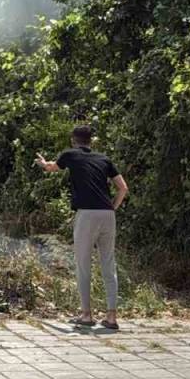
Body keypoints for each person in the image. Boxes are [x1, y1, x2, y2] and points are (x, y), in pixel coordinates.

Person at [35, 124, 128, 330]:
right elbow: (123, 188)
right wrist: (112, 207)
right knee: (108, 264)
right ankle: (112, 317)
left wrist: (43, 163)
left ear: (73, 140)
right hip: (107, 215)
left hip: (86, 214)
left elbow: (52, 168)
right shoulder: (104, 159)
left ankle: (86, 315)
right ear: (91, 141)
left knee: (83, 265)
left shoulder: (70, 154)